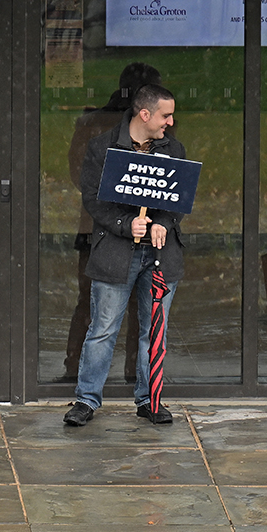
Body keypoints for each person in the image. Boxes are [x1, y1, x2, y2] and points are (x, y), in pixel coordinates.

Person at [65, 84, 186, 427]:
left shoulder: (173, 149)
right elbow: (92, 197)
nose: (171, 122)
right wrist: (124, 223)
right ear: (144, 114)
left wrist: (162, 221)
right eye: (165, 115)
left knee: (153, 330)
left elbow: (179, 197)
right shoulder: (102, 148)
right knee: (103, 328)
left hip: (160, 254)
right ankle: (86, 399)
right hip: (117, 251)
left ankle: (150, 400)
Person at [61, 62, 160, 382]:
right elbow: (82, 178)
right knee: (100, 307)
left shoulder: (158, 132)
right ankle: (86, 374)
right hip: (99, 229)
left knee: (114, 309)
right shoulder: (96, 127)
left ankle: (93, 371)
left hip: (106, 227)